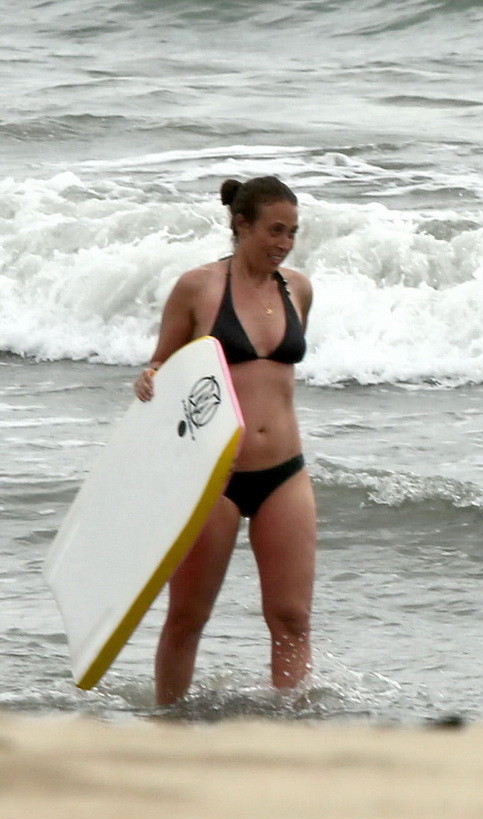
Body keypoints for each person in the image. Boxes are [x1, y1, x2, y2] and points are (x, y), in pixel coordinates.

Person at [133, 176, 315, 705]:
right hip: (213, 475)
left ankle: (292, 731)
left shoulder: (298, 289)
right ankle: (168, 723)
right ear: (241, 225)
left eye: (293, 233)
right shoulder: (199, 288)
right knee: (188, 616)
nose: (284, 243)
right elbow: (163, 362)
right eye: (274, 230)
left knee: (292, 618)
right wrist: (148, 378)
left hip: (285, 470)